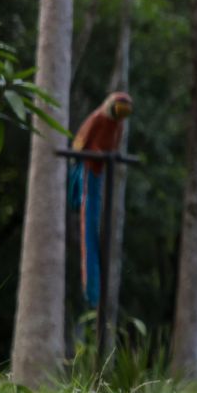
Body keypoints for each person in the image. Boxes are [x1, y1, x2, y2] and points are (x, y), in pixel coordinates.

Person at [68, 91, 133, 310]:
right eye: (119, 109)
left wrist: (110, 154)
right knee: (89, 223)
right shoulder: (97, 118)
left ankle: (94, 291)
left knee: (96, 222)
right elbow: (80, 144)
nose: (121, 115)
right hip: (87, 168)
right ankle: (90, 289)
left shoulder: (118, 125)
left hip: (99, 170)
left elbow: (112, 145)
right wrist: (94, 152)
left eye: (126, 112)